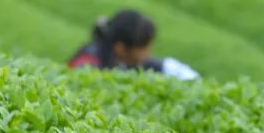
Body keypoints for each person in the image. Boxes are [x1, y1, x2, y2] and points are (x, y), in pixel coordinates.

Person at [68, 10, 199, 80]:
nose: (148, 53)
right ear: (121, 48)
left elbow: (167, 67)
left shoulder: (122, 61)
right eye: (143, 48)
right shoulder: (86, 66)